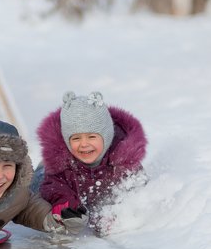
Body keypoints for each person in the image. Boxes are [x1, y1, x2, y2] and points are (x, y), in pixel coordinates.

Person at [35, 91, 147, 236]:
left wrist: (117, 213)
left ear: (106, 136)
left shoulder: (123, 159)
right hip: (46, 178)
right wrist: (68, 206)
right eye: (76, 138)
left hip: (94, 200)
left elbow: (138, 191)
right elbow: (55, 188)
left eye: (92, 137)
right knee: (35, 189)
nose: (84, 144)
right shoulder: (61, 166)